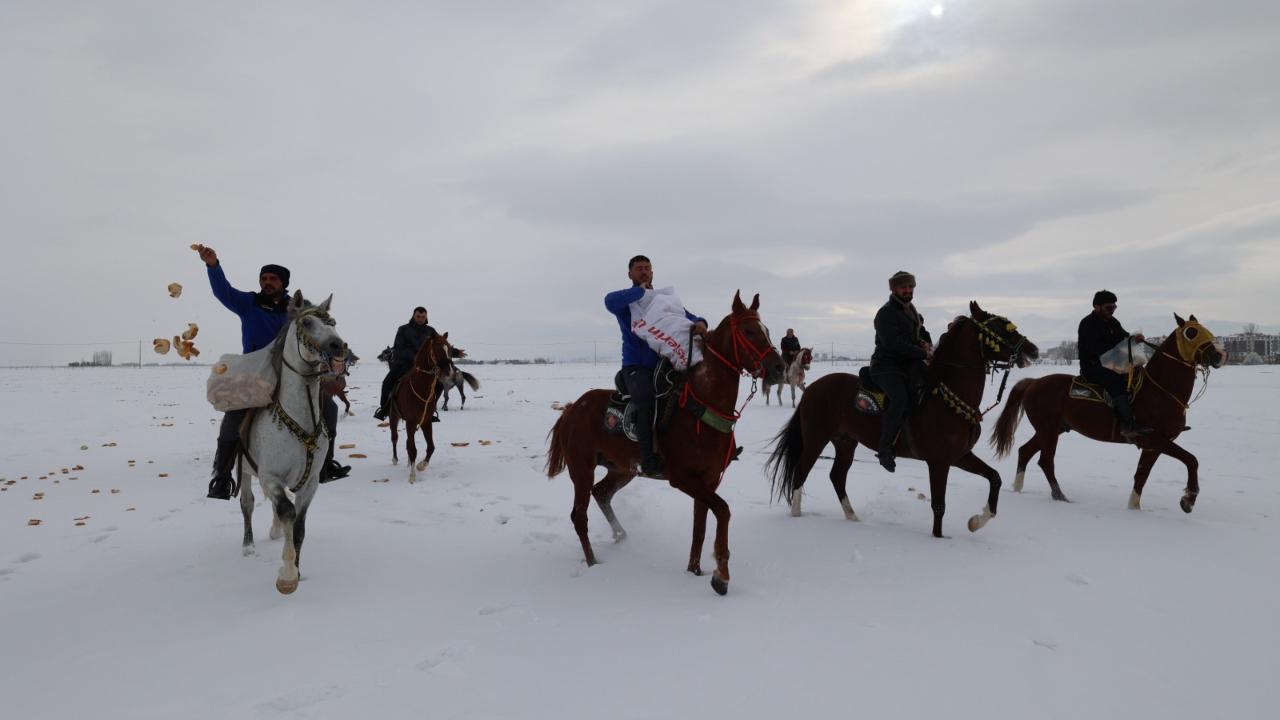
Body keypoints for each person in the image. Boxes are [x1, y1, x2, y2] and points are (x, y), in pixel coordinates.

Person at [197, 245, 297, 500]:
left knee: (326, 407)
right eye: (264, 278)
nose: (267, 282)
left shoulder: (295, 310)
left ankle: (324, 462)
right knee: (234, 419)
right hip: (255, 374)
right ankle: (222, 475)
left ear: (283, 283)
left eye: (273, 279)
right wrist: (213, 265)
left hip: (288, 373)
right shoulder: (249, 303)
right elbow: (223, 292)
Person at [604, 255, 707, 476]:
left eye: (648, 268)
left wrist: (701, 322)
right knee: (645, 401)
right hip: (636, 367)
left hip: (665, 365)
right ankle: (647, 460)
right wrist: (640, 291)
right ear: (630, 274)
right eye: (639, 268)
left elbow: (687, 315)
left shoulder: (662, 300)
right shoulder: (627, 303)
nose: (644, 272)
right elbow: (609, 301)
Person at [870, 270, 933, 473]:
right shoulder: (886, 313)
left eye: (910, 287)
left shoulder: (911, 309)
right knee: (899, 399)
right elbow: (892, 344)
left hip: (907, 364)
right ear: (894, 289)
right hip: (887, 366)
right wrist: (920, 353)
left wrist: (922, 343)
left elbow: (912, 336)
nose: (908, 290)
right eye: (903, 287)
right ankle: (885, 447)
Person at [1078, 290, 1151, 438]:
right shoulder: (1087, 324)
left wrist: (1134, 339)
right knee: (1116, 381)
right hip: (1093, 368)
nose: (1112, 311)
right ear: (1096, 306)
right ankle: (1127, 425)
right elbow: (1097, 349)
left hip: (1113, 364)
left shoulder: (1114, 322)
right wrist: (1121, 348)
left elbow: (1124, 338)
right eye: (1108, 308)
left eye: (1114, 307)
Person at [373, 307, 465, 421]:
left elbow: (440, 345)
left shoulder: (430, 331)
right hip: (405, 364)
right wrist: (416, 356)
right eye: (418, 316)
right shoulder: (403, 329)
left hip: (425, 366)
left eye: (423, 317)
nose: (420, 319)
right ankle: (384, 409)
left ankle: (430, 410)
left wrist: (455, 352)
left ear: (426, 317)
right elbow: (398, 349)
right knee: (387, 382)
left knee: (439, 385)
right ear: (413, 316)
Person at [319, 350, 355, 482]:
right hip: (307, 393)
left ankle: (327, 463)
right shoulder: (321, 366)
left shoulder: (340, 374)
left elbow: (338, 387)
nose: (339, 365)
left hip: (323, 396)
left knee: (331, 426)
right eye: (336, 362)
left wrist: (338, 375)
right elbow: (326, 382)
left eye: (342, 362)